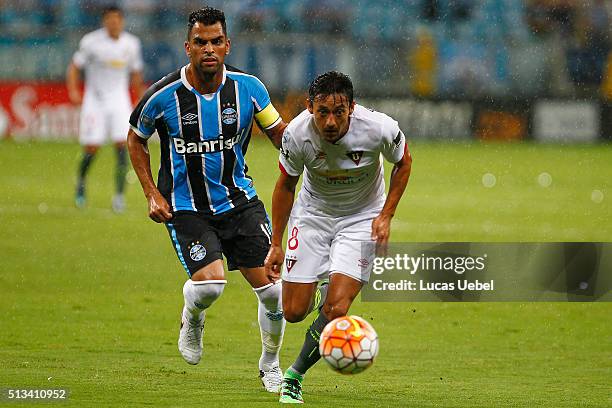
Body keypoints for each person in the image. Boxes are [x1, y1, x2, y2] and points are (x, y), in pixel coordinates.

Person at [127, 7, 287, 393]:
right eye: (201, 42)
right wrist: (151, 193)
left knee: (274, 291)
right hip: (186, 208)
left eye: (217, 41)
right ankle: (193, 316)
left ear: (228, 45)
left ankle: (270, 364)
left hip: (240, 200)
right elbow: (135, 138)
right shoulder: (164, 96)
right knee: (211, 286)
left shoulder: (249, 89)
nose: (209, 49)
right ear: (188, 47)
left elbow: (280, 134)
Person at [264, 71, 412, 403]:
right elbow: (286, 185)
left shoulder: (379, 128)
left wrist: (385, 215)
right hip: (313, 216)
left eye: (339, 112)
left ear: (352, 108)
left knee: (336, 307)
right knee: (293, 311)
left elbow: (404, 164)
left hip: (362, 219)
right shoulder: (296, 135)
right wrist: (276, 243)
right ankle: (320, 283)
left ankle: (294, 375)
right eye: (322, 113)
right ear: (309, 108)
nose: (330, 121)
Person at [67, 5, 145, 213]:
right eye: (110, 19)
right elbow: (75, 66)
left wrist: (139, 98)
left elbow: (136, 73)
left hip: (119, 100)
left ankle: (119, 196)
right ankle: (81, 184)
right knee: (92, 148)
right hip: (95, 101)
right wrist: (74, 90)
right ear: (104, 21)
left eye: (117, 19)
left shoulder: (132, 44)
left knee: (123, 146)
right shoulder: (91, 42)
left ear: (122, 21)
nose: (114, 23)